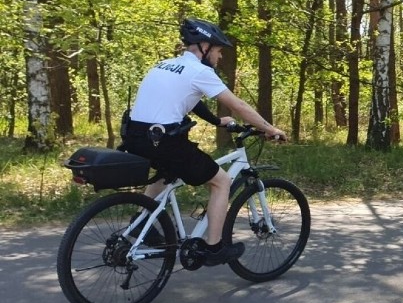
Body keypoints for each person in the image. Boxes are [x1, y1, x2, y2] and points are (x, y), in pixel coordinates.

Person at [120, 18, 288, 266]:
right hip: (164, 140)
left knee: (166, 173)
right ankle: (215, 248)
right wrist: (269, 128)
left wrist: (216, 121)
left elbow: (191, 98)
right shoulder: (200, 71)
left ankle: (141, 220)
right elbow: (238, 105)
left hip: (134, 136)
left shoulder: (165, 65)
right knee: (221, 182)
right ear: (204, 47)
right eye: (219, 51)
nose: (219, 57)